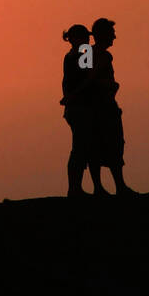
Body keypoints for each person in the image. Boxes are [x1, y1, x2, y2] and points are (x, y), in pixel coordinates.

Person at [87, 18, 131, 196]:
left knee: (115, 145)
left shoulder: (102, 55)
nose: (114, 36)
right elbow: (87, 79)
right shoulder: (89, 54)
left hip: (107, 105)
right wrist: (105, 84)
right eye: (111, 33)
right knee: (98, 146)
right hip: (98, 107)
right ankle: (101, 187)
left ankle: (119, 185)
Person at [60, 24, 92, 197]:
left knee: (79, 147)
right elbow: (88, 78)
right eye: (85, 37)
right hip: (80, 106)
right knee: (80, 148)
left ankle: (75, 187)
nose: (88, 40)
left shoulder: (69, 56)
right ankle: (75, 188)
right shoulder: (82, 55)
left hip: (74, 106)